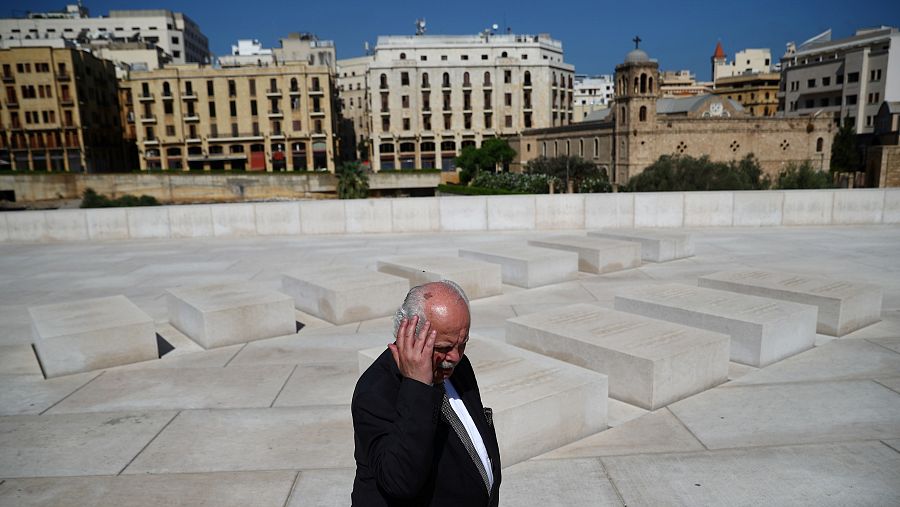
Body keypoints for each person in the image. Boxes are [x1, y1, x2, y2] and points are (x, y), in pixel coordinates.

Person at [351, 280, 501, 506]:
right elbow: (400, 481)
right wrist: (417, 386)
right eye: (442, 348)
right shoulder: (374, 391)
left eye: (463, 344)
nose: (455, 357)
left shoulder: (458, 367)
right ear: (408, 333)